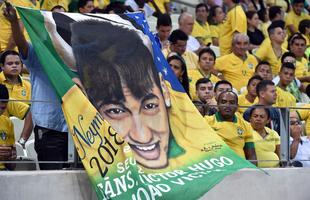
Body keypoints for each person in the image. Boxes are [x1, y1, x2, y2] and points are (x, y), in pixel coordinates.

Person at [4, 3, 69, 170]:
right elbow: (22, 44)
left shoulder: (75, 57)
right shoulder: (39, 55)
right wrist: (13, 23)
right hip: (48, 132)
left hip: (76, 131)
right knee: (52, 185)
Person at [204, 91, 257, 163]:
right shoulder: (206, 121)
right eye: (223, 102)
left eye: (232, 103)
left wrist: (252, 173)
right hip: (217, 167)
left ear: (237, 106)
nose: (227, 105)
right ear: (218, 105)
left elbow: (252, 156)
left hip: (240, 168)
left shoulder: (246, 125)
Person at [0, 84, 16, 170]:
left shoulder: (8, 123)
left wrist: (11, 157)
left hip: (4, 172)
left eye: (2, 108)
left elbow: (12, 166)